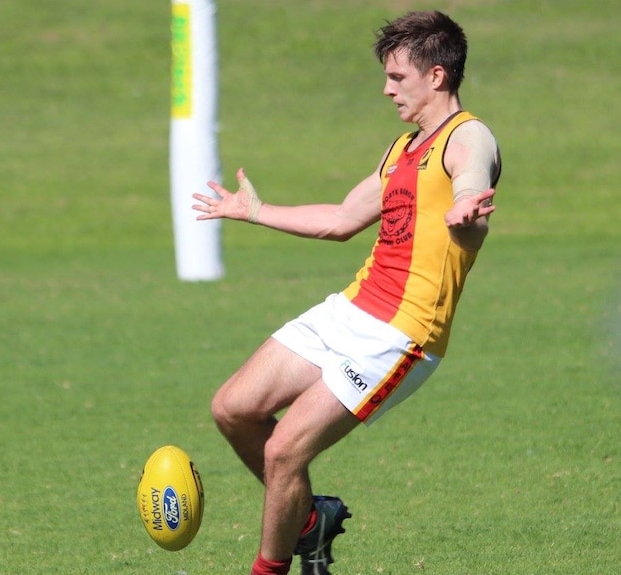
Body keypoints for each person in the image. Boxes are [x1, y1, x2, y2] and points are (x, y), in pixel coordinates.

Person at [192, 11, 501, 575]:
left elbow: (473, 182)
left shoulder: (468, 136)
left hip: (400, 336)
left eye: (397, 77)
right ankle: (309, 519)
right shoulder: (403, 149)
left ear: (436, 76)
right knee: (232, 409)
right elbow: (340, 218)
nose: (387, 89)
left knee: (286, 451)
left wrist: (468, 207)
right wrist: (255, 212)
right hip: (352, 309)